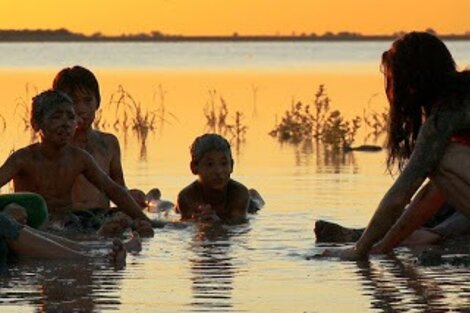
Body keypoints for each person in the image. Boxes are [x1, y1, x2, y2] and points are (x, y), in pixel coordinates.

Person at [322, 31, 470, 259]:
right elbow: (433, 194)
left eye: (393, 78)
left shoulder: (445, 118)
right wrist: (383, 247)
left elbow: (400, 195)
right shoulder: (459, 98)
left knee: (441, 159)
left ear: (412, 80)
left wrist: (359, 250)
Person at [0, 89, 154, 237]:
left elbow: (113, 190)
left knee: (121, 218)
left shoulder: (79, 158)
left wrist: (145, 221)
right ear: (36, 124)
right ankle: (100, 237)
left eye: (70, 117)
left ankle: (104, 235)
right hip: (38, 225)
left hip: (70, 222)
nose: (65, 123)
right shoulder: (22, 159)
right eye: (56, 117)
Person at [52, 66, 147, 211]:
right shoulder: (54, 146)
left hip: (102, 217)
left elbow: (119, 187)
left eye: (87, 101)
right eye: (73, 102)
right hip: (69, 220)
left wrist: (131, 196)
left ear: (98, 102)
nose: (81, 108)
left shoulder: (108, 143)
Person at [176, 133, 262, 224]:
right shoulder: (186, 197)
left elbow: (238, 224)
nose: (218, 171)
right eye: (210, 164)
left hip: (250, 205)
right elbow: (188, 225)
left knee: (255, 201)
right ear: (194, 167)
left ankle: (253, 194)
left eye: (224, 163)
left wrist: (217, 222)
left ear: (232, 165)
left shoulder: (239, 194)